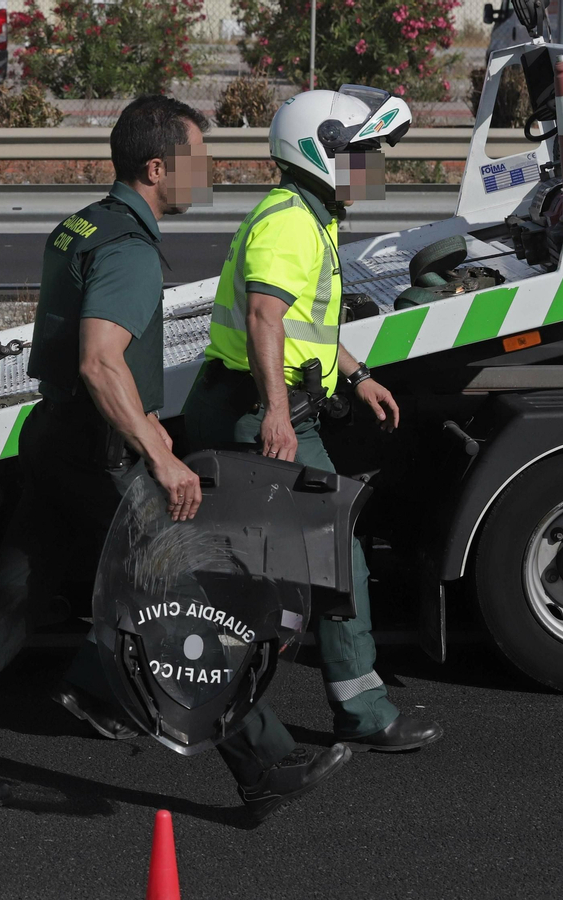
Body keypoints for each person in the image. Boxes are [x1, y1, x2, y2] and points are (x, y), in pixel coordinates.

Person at [0, 95, 353, 823]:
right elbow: (101, 363)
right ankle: (259, 758)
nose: (206, 175)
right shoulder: (129, 250)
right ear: (155, 166)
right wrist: (156, 452)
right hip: (98, 452)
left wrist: (147, 429)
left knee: (5, 608)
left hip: (60, 439)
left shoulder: (85, 223)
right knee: (192, 598)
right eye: (196, 162)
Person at [183, 86, 445, 753]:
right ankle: (363, 714)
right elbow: (265, 317)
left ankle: (170, 685)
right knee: (331, 555)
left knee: (258, 563)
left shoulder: (311, 215)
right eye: (364, 154)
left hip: (266, 404)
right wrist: (275, 413)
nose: (374, 168)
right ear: (320, 153)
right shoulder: (291, 222)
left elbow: (309, 323)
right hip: (259, 409)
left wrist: (357, 376)